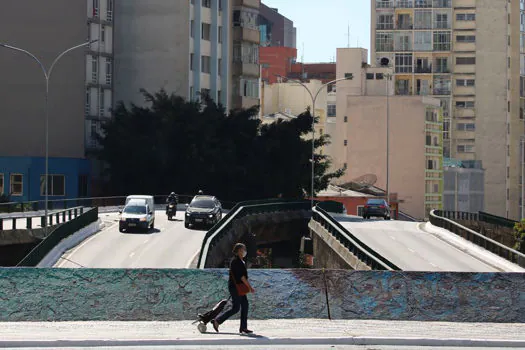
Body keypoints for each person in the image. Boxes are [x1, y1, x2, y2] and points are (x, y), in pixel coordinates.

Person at [212, 243, 255, 334]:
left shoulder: (241, 261)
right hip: (235, 288)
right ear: (239, 250)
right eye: (244, 249)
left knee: (245, 306)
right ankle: (217, 321)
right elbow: (242, 277)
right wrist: (250, 287)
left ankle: (243, 328)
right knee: (236, 308)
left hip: (239, 288)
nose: (245, 251)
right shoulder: (236, 261)